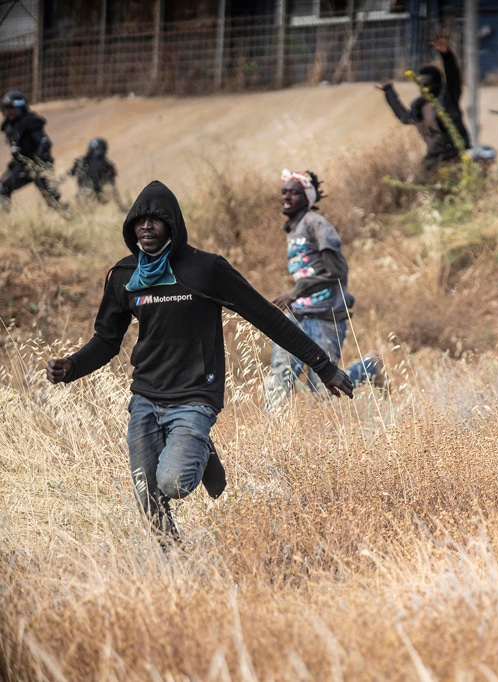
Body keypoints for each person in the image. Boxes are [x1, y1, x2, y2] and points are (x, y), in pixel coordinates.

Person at [45, 180, 354, 545]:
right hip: (145, 397)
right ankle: (174, 560)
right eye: (139, 220)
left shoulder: (205, 270)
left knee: (172, 483)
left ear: (172, 226)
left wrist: (324, 366)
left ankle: (202, 449)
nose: (146, 226)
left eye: (155, 220)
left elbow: (267, 318)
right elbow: (106, 340)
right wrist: (72, 367)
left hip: (195, 397)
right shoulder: (125, 277)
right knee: (148, 496)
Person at [265, 170, 384, 409]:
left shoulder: (317, 224)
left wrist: (296, 292)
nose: (286, 197)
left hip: (325, 317)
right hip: (297, 317)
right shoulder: (293, 228)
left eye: (294, 193)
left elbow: (337, 272)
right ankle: (272, 442)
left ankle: (369, 366)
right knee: (279, 380)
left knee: (320, 390)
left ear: (307, 198)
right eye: (284, 192)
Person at [377, 30, 470, 174]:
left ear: (436, 84)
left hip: (457, 155)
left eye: (427, 84)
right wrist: (389, 91)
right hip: (434, 158)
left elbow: (453, 78)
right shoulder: (418, 107)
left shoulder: (448, 98)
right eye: (420, 84)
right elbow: (404, 116)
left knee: (459, 186)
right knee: (423, 186)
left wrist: (446, 55)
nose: (423, 88)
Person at [1, 90, 66, 213]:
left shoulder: (30, 122)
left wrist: (40, 160)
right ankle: (3, 222)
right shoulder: (9, 126)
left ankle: (72, 219)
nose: (9, 113)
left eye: (11, 109)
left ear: (19, 108)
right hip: (21, 165)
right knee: (3, 187)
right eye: (6, 109)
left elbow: (44, 142)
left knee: (53, 200)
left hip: (38, 164)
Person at [68, 137, 118, 204]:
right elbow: (110, 183)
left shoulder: (81, 161)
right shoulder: (105, 164)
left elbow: (69, 173)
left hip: (81, 196)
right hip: (97, 197)